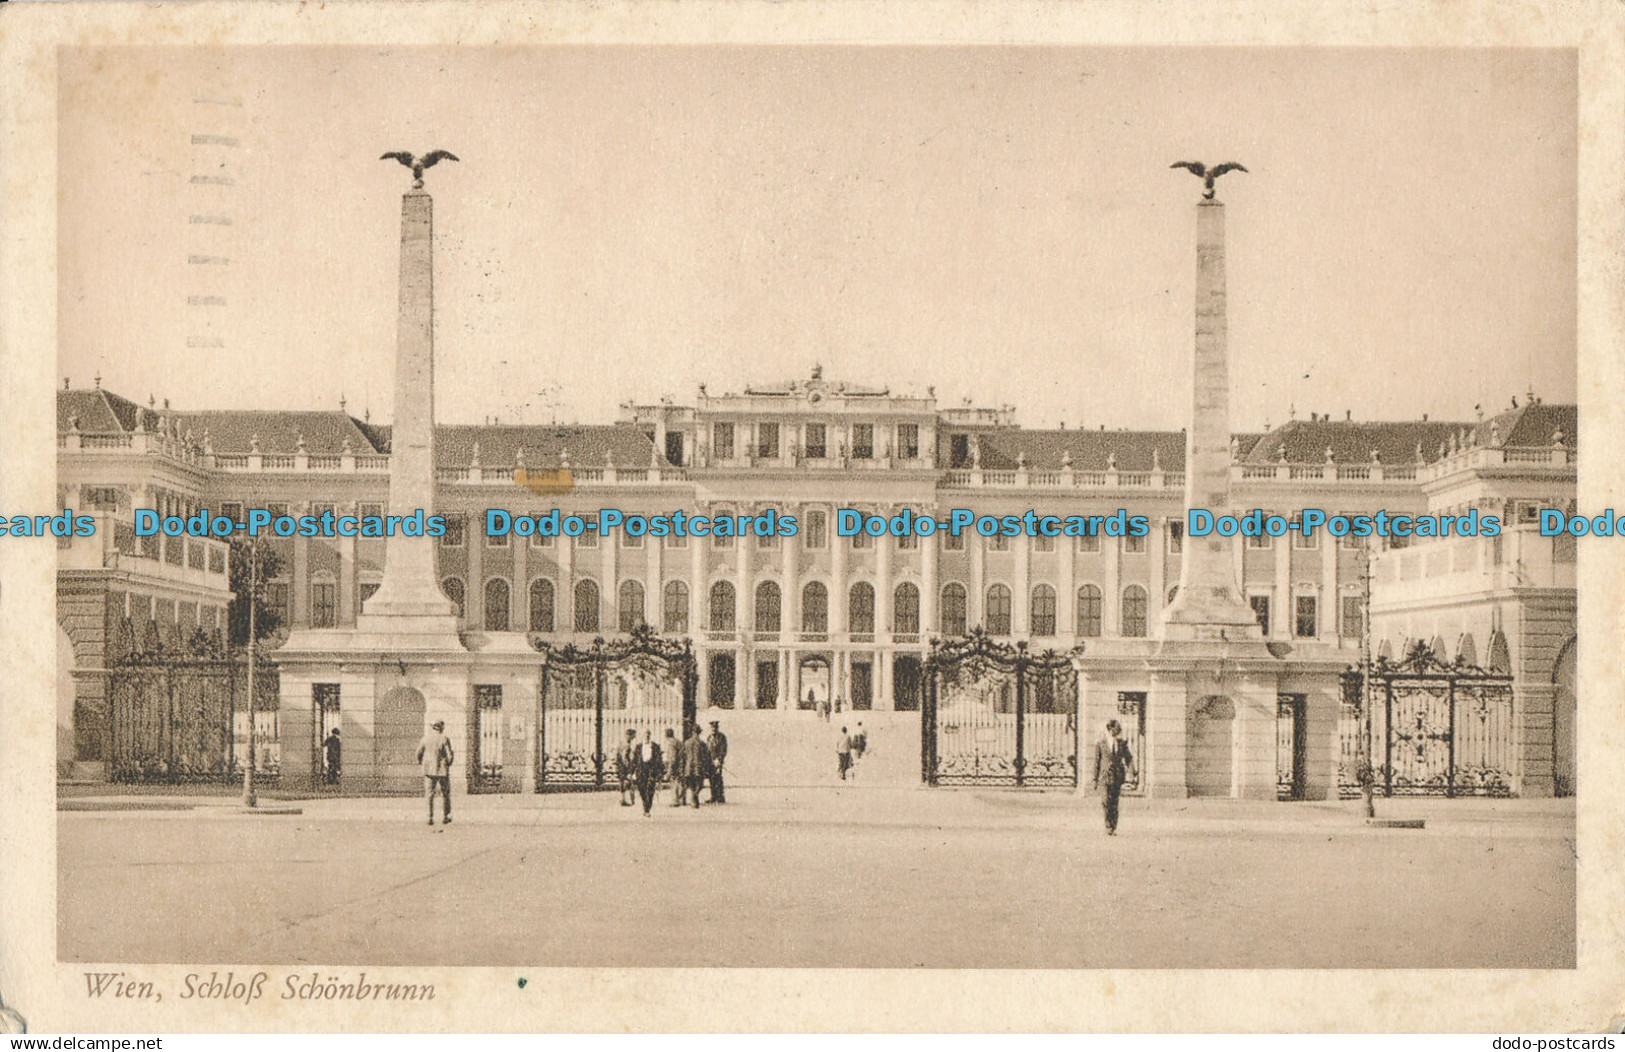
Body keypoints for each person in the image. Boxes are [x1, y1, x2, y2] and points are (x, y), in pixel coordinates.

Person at [1092, 719, 1136, 836]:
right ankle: (1108, 825)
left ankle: (1113, 827)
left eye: (1117, 730)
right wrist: (1094, 779)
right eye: (1113, 729)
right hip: (1104, 776)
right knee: (1105, 800)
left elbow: (1128, 758)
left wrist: (1132, 771)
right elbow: (1096, 762)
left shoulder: (1122, 743)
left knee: (1114, 803)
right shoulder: (1100, 744)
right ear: (1109, 730)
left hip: (1117, 777)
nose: (1115, 732)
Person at [417, 719, 455, 827]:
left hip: (429, 770)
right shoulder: (444, 739)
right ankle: (446, 816)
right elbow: (449, 756)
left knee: (429, 794)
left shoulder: (425, 738)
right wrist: (448, 764)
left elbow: (418, 753)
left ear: (433, 727)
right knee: (445, 794)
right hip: (442, 770)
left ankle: (429, 817)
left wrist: (422, 763)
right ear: (441, 728)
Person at [678, 724, 710, 809]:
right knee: (699, 784)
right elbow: (706, 756)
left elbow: (682, 756)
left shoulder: (687, 742)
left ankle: (694, 798)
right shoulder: (702, 743)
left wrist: (683, 766)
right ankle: (695, 797)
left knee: (692, 784)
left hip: (689, 767)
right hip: (698, 767)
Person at [632, 729, 663, 817]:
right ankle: (644, 803)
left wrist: (660, 773)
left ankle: (647, 808)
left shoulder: (655, 746)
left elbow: (659, 760)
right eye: (645, 735)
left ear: (650, 736)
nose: (647, 736)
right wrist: (631, 771)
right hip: (641, 771)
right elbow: (634, 760)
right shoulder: (638, 747)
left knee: (650, 789)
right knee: (641, 789)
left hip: (651, 770)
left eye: (648, 735)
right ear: (643, 736)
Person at [705, 720, 729, 804]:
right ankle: (713, 796)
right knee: (711, 779)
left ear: (717, 728)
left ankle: (720, 797)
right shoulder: (709, 738)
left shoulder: (722, 737)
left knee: (718, 778)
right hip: (710, 762)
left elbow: (723, 749)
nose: (713, 729)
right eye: (712, 728)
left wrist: (719, 759)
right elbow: (707, 750)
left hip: (718, 761)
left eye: (715, 728)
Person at [616, 727, 638, 807]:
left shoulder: (621, 743)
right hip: (624, 766)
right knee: (629, 782)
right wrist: (628, 767)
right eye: (633, 736)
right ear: (629, 735)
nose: (634, 738)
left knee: (623, 782)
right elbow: (624, 756)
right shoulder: (626, 744)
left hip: (620, 765)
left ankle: (623, 799)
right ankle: (628, 800)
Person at [664, 727, 684, 806]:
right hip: (680, 765)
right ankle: (681, 799)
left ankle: (675, 801)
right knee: (679, 782)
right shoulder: (678, 741)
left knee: (674, 783)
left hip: (675, 766)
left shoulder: (670, 743)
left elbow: (673, 757)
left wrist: (669, 769)